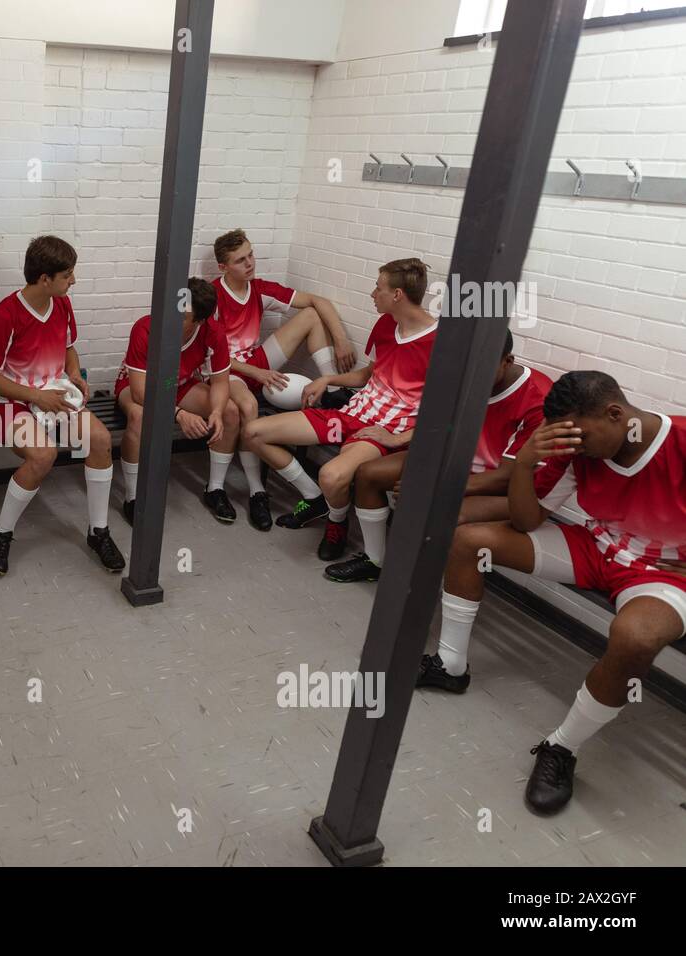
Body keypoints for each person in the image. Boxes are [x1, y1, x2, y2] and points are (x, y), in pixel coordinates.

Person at [428, 370, 686, 814]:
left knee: (636, 638)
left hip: (662, 572)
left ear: (615, 413)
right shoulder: (576, 449)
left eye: (583, 435)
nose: (577, 445)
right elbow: (527, 520)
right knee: (469, 541)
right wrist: (526, 462)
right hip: (598, 546)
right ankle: (450, 666)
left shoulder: (679, 441)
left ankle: (560, 748)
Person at [243, 258, 437, 564]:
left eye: (379, 287)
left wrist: (398, 440)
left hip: (378, 431)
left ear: (397, 294)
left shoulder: (440, 343)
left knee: (332, 475)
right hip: (350, 412)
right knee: (254, 432)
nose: (373, 293)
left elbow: (445, 413)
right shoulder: (387, 324)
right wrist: (328, 378)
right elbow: (367, 375)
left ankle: (336, 523)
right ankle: (316, 499)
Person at [325, 330, 552, 582]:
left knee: (442, 510)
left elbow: (507, 477)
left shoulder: (539, 399)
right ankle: (374, 561)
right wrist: (399, 438)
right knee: (369, 473)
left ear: (506, 361)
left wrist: (434, 488)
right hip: (455, 465)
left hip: (502, 485)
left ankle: (429, 584)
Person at [0, 235, 125, 576]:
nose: (74, 280)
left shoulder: (62, 304)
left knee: (100, 440)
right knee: (43, 455)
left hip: (55, 396)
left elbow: (69, 347)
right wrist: (36, 397)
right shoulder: (4, 316)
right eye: (68, 274)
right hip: (12, 404)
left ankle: (98, 531)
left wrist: (74, 374)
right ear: (45, 278)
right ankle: (0, 534)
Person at [211, 228, 356, 529]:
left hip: (256, 362)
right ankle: (257, 491)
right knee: (247, 408)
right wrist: (257, 373)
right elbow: (213, 358)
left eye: (250, 254)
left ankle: (330, 388)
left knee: (311, 316)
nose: (250, 263)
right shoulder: (213, 297)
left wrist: (341, 340)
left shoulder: (260, 288)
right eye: (240, 260)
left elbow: (319, 302)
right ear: (223, 267)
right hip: (228, 371)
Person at [115, 277, 236, 524]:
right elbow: (139, 393)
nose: (171, 318)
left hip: (176, 385)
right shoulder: (146, 328)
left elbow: (221, 382)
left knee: (230, 411)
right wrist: (178, 414)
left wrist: (215, 411)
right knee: (138, 417)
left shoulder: (212, 332)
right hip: (139, 386)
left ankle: (215, 488)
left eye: (182, 316)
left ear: (199, 321)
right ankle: (133, 498)